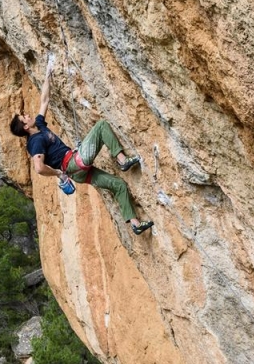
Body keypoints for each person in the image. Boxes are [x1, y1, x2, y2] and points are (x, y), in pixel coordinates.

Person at [10, 62, 154, 235]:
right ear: (25, 126)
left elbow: (44, 100)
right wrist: (58, 173)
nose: (27, 115)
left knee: (119, 184)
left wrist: (48, 74)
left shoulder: (39, 126)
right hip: (72, 164)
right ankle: (122, 160)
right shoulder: (35, 141)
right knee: (101, 126)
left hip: (77, 172)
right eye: (24, 117)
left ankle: (135, 224)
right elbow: (39, 168)